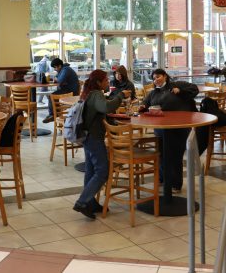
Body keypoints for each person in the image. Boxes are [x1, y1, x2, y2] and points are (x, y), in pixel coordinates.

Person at [73, 69, 131, 219]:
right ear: (98, 82)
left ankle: (90, 202)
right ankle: (82, 202)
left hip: (86, 135)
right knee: (102, 171)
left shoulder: (87, 93)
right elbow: (106, 107)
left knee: (91, 170)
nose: (108, 82)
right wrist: (120, 95)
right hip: (93, 137)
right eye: (105, 80)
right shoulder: (96, 94)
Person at [139, 69, 199, 192]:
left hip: (179, 127)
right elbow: (146, 102)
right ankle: (163, 179)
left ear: (165, 76)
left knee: (175, 154)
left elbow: (194, 89)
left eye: (158, 77)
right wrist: (143, 106)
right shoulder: (153, 92)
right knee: (161, 153)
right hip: (161, 127)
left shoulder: (177, 85)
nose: (156, 80)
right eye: (154, 78)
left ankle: (176, 184)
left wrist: (180, 91)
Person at [42, 58, 79, 123]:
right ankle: (55, 114)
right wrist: (57, 78)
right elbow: (57, 78)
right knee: (52, 96)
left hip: (71, 92)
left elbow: (59, 80)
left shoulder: (66, 69)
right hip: (67, 90)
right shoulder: (62, 70)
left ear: (59, 66)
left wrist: (57, 79)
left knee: (51, 96)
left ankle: (53, 115)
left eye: (55, 67)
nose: (55, 69)